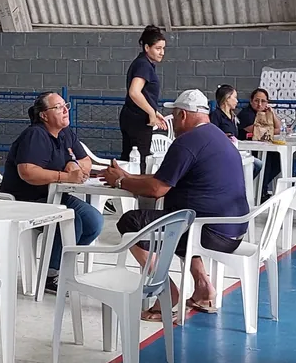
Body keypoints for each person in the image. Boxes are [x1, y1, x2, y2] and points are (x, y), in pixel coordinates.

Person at [101, 89, 249, 322]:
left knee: (132, 222)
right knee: (177, 221)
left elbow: (156, 189)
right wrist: (128, 175)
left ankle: (165, 291)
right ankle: (204, 289)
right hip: (232, 228)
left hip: (210, 232)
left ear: (182, 115)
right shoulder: (217, 136)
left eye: (174, 116)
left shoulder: (187, 142)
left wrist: (120, 182)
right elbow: (164, 178)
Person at [0, 91, 104, 294]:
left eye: (65, 106)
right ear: (44, 115)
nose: (65, 110)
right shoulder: (35, 135)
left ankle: (62, 265)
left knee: (93, 221)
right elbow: (28, 172)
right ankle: (50, 275)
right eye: (58, 107)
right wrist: (65, 176)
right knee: (72, 221)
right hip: (26, 199)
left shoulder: (65, 133)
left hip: (55, 196)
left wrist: (73, 164)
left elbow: (86, 161)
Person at [120, 25, 168, 173]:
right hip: (138, 120)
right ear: (147, 47)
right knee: (138, 161)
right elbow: (134, 92)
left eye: (163, 48)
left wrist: (155, 112)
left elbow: (144, 95)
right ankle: (134, 192)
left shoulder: (143, 63)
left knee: (128, 158)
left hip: (132, 116)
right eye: (158, 48)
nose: (162, 53)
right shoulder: (143, 65)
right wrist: (151, 113)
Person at [237, 88, 281, 197]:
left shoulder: (266, 113)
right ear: (251, 101)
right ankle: (260, 191)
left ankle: (262, 188)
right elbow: (258, 131)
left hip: (263, 146)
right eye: (256, 101)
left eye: (263, 101)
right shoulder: (246, 114)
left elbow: (278, 128)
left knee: (277, 160)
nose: (259, 104)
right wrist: (272, 130)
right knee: (267, 160)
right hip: (248, 148)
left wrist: (272, 113)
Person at [211, 84, 263, 177]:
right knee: (256, 164)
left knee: (257, 164)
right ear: (227, 99)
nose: (237, 101)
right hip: (223, 153)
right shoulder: (216, 115)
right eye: (234, 98)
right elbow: (212, 135)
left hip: (235, 150)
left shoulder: (233, 117)